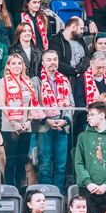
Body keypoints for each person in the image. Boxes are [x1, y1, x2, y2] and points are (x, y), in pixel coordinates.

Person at [0, 53, 44, 188]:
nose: (17, 66)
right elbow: (2, 105)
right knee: (11, 160)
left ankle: (21, 190)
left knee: (22, 160)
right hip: (9, 125)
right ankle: (10, 189)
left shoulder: (27, 82)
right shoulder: (3, 82)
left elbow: (32, 104)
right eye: (13, 63)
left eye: (19, 63)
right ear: (8, 66)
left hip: (26, 125)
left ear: (23, 66)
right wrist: (14, 122)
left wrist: (28, 121)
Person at [34, 50, 74, 193]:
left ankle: (58, 195)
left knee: (61, 166)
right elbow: (34, 104)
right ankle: (45, 195)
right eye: (49, 60)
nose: (53, 62)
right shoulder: (37, 80)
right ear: (43, 63)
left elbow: (71, 103)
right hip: (44, 127)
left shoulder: (64, 80)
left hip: (62, 128)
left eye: (55, 59)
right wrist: (46, 120)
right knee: (44, 165)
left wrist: (65, 120)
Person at [48, 16, 90, 87]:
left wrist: (83, 66)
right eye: (81, 28)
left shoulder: (80, 40)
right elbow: (57, 63)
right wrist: (75, 70)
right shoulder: (56, 41)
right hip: (67, 80)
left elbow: (88, 57)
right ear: (73, 27)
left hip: (84, 78)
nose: (82, 31)